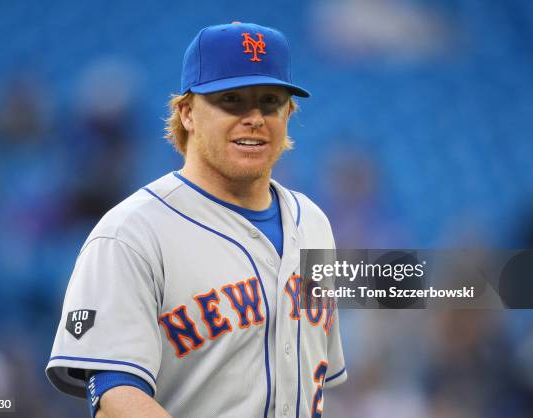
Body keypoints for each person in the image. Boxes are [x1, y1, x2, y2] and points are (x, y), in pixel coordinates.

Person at [46, 22, 346, 418]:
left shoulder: (314, 223)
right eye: (232, 100)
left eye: (270, 100)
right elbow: (115, 398)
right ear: (187, 113)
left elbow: (316, 379)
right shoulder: (130, 233)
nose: (254, 117)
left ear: (289, 112)